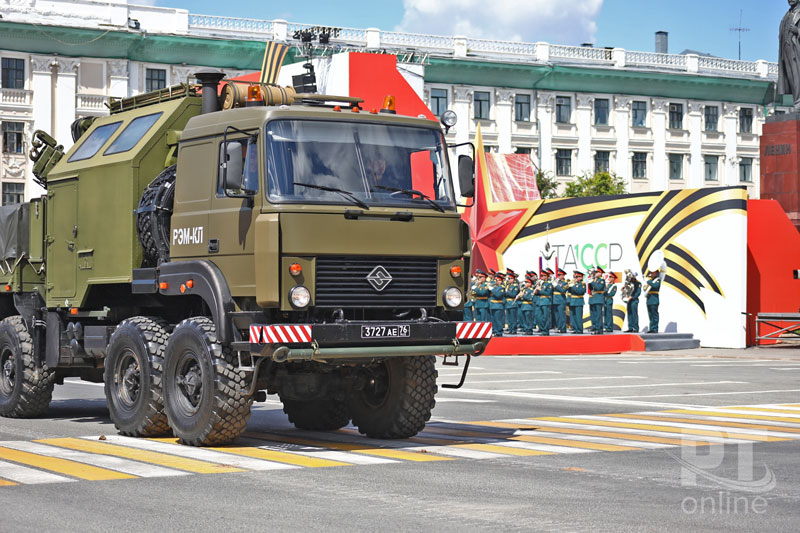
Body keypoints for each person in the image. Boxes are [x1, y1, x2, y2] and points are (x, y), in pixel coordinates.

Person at [779, 0, 800, 109]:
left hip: (796, 49)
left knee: (797, 75)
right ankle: (796, 101)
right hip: (786, 49)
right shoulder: (786, 15)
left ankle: (798, 101)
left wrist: (797, 31)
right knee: (791, 77)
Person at [588, 267, 606, 335]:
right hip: (594, 298)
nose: (595, 274)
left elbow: (598, 288)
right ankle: (595, 327)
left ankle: (599, 329)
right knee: (594, 315)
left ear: (600, 273)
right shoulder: (595, 280)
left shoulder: (602, 280)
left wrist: (592, 282)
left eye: (597, 272)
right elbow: (591, 288)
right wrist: (590, 282)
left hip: (598, 298)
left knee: (598, 315)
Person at [489, 271, 506, 336]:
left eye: (499, 280)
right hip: (493, 305)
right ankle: (495, 330)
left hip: (498, 305)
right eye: (496, 280)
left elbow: (498, 295)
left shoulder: (501, 287)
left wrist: (492, 289)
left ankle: (499, 331)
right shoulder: (495, 286)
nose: (497, 281)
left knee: (498, 319)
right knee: (493, 319)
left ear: (501, 281)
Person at [536, 270, 553, 335]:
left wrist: (540, 290)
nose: (542, 277)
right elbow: (538, 293)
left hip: (546, 301)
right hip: (540, 301)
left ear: (547, 276)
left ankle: (546, 331)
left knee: (546, 317)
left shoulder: (549, 283)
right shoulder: (541, 283)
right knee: (539, 317)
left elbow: (548, 293)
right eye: (541, 275)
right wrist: (536, 291)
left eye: (543, 275)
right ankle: (542, 329)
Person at [504, 269, 520, 334]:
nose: (509, 280)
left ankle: (514, 329)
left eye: (510, 278)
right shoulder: (508, 285)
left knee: (513, 318)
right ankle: (510, 329)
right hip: (508, 303)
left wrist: (507, 291)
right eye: (509, 278)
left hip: (512, 303)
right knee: (509, 318)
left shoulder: (515, 286)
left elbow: (513, 294)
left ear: (513, 279)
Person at [553, 268, 568, 334]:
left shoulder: (565, 283)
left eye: (560, 275)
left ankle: (563, 328)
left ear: (563, 275)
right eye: (558, 275)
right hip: (555, 300)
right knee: (557, 315)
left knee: (561, 315)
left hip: (561, 300)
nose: (559, 276)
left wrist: (556, 286)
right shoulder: (555, 282)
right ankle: (559, 327)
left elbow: (563, 290)